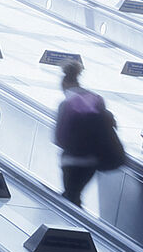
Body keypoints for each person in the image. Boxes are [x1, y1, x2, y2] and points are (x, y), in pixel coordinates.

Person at [53, 61, 124, 206]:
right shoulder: (96, 98)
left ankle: (71, 223)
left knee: (71, 195)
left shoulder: (66, 104)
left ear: (64, 84)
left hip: (71, 160)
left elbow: (59, 138)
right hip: (92, 161)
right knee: (75, 194)